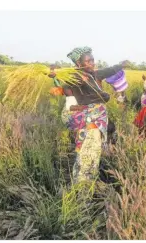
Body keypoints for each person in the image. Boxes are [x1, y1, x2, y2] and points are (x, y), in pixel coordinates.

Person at [51, 46, 128, 184]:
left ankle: (89, 181)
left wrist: (120, 65)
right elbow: (64, 88)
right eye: (88, 61)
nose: (92, 63)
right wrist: (55, 75)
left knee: (95, 151)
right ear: (79, 64)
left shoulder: (95, 74)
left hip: (97, 120)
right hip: (89, 121)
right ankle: (81, 185)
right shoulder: (75, 78)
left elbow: (110, 70)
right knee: (87, 152)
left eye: (92, 60)